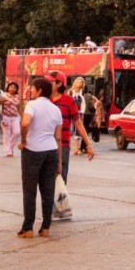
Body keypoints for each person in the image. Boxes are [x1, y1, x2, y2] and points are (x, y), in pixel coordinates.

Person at [15, 76, 61, 238]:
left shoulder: (32, 105)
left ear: (39, 90)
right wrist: (59, 162)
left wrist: (23, 140)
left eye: (33, 88)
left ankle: (28, 227)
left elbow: (25, 123)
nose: (31, 91)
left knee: (30, 189)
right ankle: (45, 227)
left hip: (33, 150)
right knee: (48, 190)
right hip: (51, 151)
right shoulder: (56, 109)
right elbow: (58, 137)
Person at [51, 73, 95, 220]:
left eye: (50, 82)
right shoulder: (44, 100)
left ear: (58, 84)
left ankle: (59, 209)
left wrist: (88, 143)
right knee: (46, 179)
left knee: (61, 177)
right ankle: (49, 209)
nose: (47, 84)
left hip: (62, 145)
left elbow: (77, 122)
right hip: (44, 146)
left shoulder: (69, 101)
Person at [0, 83, 21, 159]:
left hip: (15, 117)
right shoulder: (4, 95)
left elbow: (19, 108)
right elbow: (0, 106)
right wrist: (1, 117)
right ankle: (8, 151)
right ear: (8, 88)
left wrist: (23, 116)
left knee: (17, 132)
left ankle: (10, 147)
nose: (13, 89)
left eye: (14, 87)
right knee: (6, 134)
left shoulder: (17, 97)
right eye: (11, 87)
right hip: (6, 116)